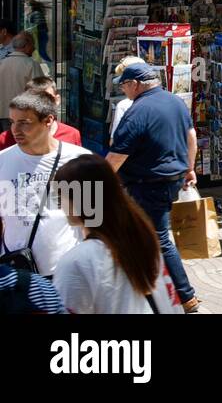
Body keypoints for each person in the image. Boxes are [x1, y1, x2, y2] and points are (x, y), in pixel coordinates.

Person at [105, 62, 200, 312]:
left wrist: (99, 182)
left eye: (124, 85)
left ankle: (184, 294)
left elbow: (116, 155)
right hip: (170, 179)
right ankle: (146, 284)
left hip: (149, 185)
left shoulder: (138, 111)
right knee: (141, 235)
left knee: (159, 240)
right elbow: (192, 138)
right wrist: (189, 168)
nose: (123, 90)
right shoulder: (175, 101)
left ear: (134, 84)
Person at [51, 154, 182, 314]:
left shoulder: (77, 261)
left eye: (61, 196)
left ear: (79, 200)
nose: (59, 203)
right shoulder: (143, 237)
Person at [0, 91, 89, 278]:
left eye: (24, 123)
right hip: (14, 270)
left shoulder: (80, 160)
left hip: (64, 270)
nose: (15, 130)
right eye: (12, 122)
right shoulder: (2, 160)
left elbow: (94, 221)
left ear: (48, 121)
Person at [0, 77, 81, 150]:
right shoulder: (6, 139)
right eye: (35, 100)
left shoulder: (72, 134)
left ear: (57, 99)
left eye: (48, 98)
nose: (41, 104)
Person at [0, 32, 43, 131]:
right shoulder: (31, 64)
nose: (34, 48)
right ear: (27, 46)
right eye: (33, 44)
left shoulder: (2, 63)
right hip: (22, 114)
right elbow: (39, 91)